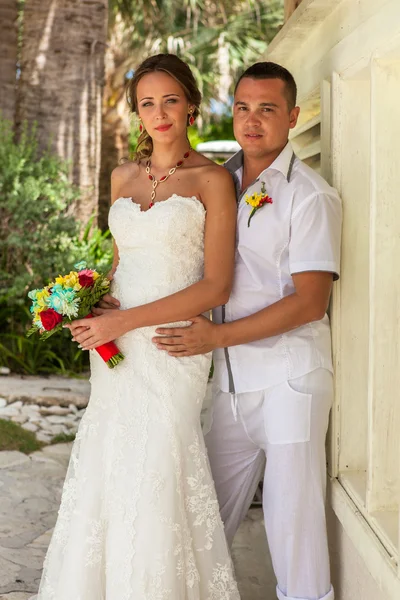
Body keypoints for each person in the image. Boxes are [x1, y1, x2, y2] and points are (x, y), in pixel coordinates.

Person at [34, 53, 240, 600]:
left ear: (192, 105)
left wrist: (126, 319)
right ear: (137, 113)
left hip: (174, 346)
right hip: (117, 342)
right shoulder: (122, 177)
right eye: (147, 103)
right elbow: (122, 265)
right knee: (111, 461)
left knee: (160, 468)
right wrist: (89, 306)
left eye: (170, 99)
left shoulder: (213, 181)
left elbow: (216, 286)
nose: (160, 112)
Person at [153, 62, 342, 600]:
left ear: (293, 117)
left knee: (294, 534)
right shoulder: (218, 182)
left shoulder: (310, 195)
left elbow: (310, 302)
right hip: (228, 387)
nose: (252, 121)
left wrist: (215, 339)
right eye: (243, 107)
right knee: (200, 521)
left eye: (267, 109)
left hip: (289, 382)